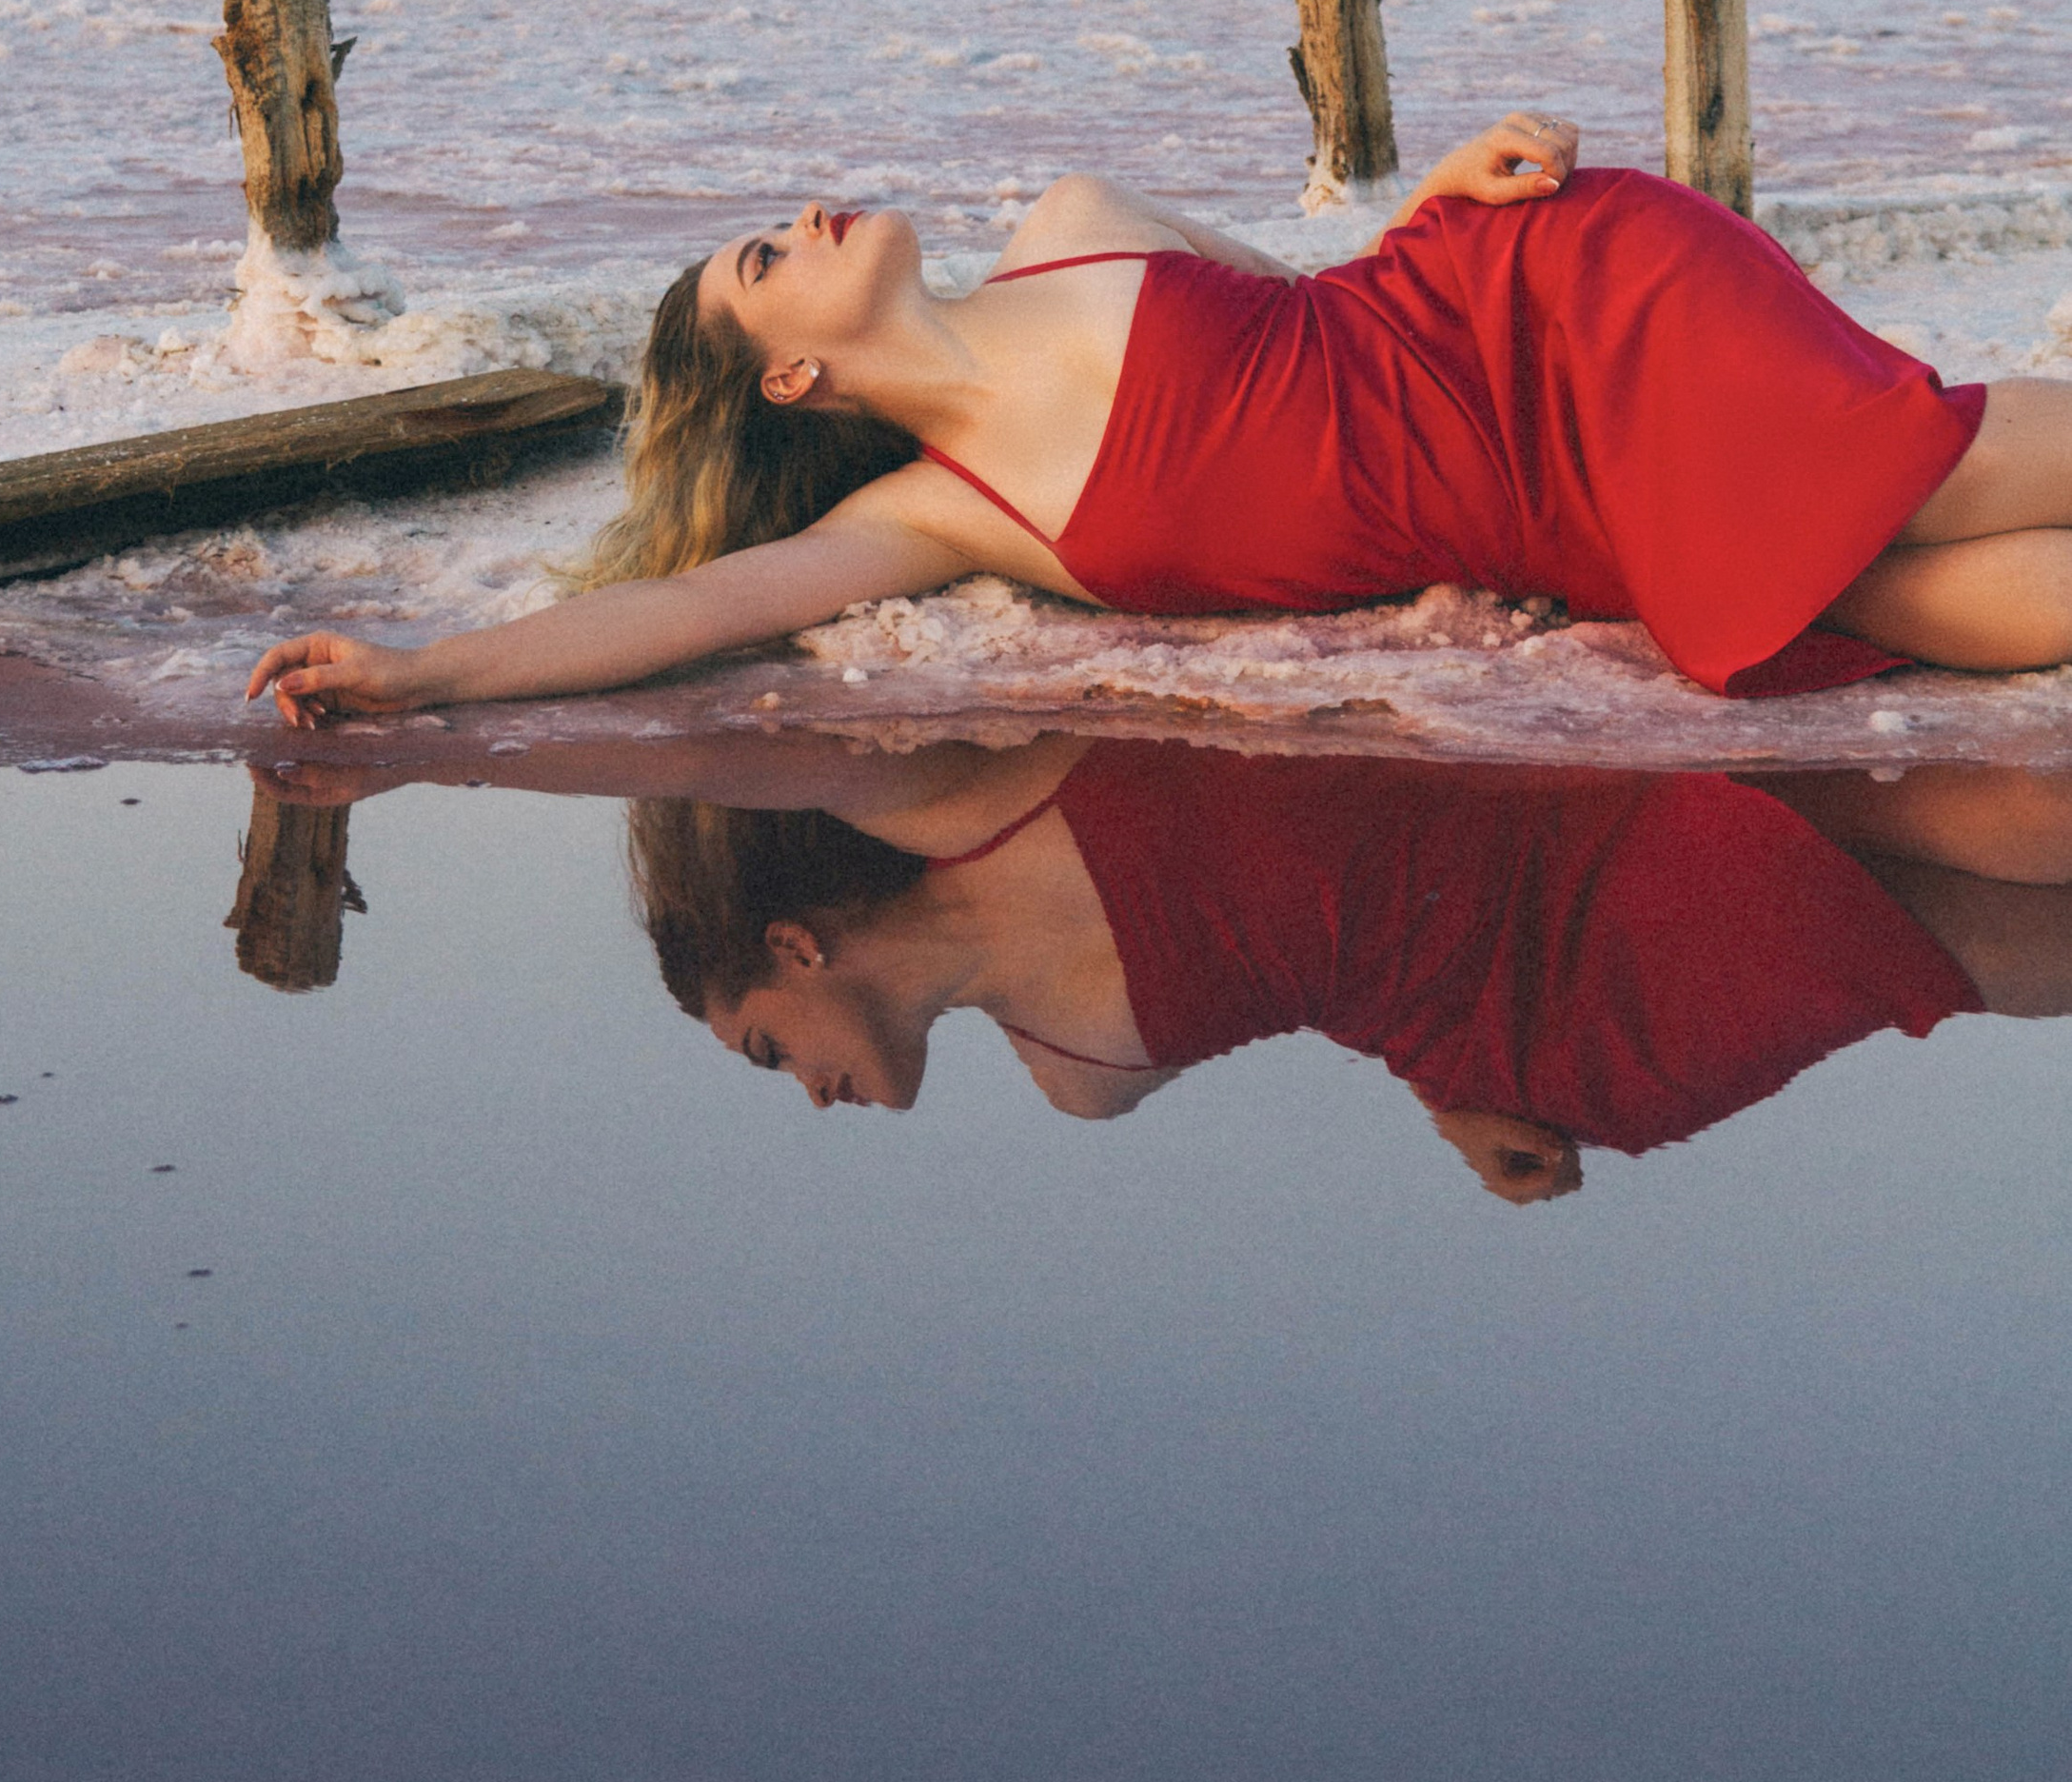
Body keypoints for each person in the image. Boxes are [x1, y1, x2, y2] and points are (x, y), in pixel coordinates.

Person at [249, 112, 2072, 735]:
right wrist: (429, 677)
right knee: (1861, 598)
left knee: (1911, 470)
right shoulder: (948, 517)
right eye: (763, 258)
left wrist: (1437, 185)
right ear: (786, 378)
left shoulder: (1070, 224)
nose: (804, 212)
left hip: (1568, 314)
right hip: (1554, 524)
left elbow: (1335, 297)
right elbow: (683, 609)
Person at [246, 715, 2072, 1198]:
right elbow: (1315, 964)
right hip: (1560, 1015)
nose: (798, 1086)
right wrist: (1449, 1093)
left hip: (1542, 820)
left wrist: (412, 748)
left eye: (760, 1042)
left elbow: (680, 748)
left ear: (789, 941)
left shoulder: (951, 799)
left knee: (1924, 806)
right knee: (1976, 961)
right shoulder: (1076, 1080)